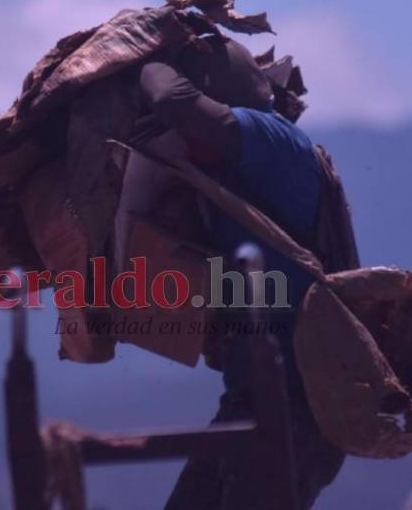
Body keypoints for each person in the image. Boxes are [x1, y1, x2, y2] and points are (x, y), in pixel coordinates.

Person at [138, 36, 347, 509]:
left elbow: (171, 99)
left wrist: (148, 56)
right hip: (255, 402)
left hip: (299, 407)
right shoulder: (229, 183)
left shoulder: (273, 137)